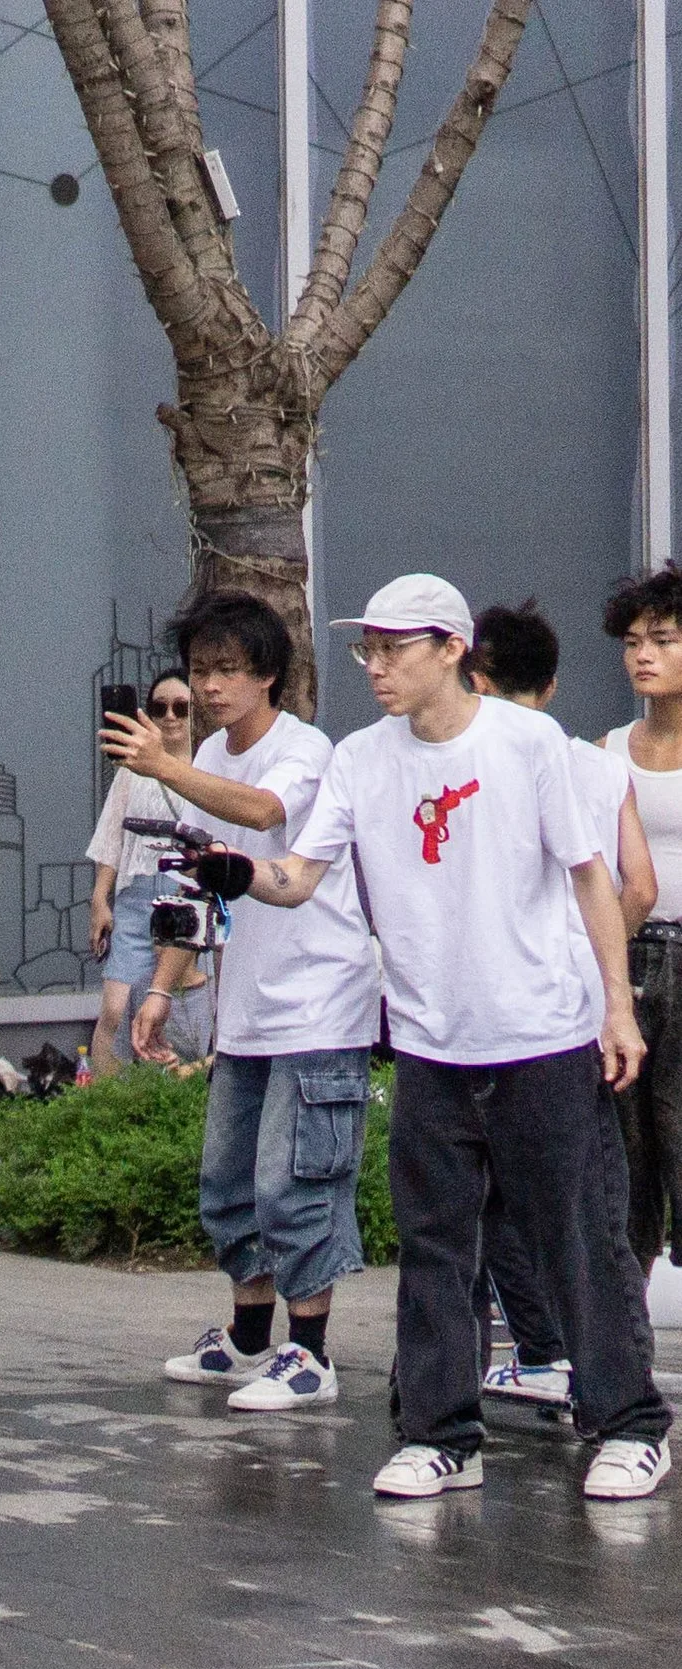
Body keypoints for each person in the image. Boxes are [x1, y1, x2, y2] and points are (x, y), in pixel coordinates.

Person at [194, 572, 671, 1500]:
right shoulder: (362, 760)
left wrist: (616, 1007)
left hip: (540, 1034)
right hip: (429, 1046)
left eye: (394, 648)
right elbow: (299, 875)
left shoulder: (529, 744)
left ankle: (631, 1424)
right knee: (437, 1247)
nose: (375, 667)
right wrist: (240, 872)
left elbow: (591, 878)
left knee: (578, 1240)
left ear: (451, 649)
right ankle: (443, 1435)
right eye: (366, 649)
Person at [111, 593, 381, 1412]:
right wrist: (162, 985)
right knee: (228, 1183)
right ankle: (250, 1336)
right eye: (199, 670)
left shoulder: (307, 750)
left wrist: (166, 767)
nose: (211, 686)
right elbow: (195, 886)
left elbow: (268, 815)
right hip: (247, 1008)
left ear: (268, 673)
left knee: (296, 1179)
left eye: (228, 669)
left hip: (320, 1002)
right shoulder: (206, 763)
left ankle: (312, 1354)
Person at [462, 600, 655, 1411]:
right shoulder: (595, 760)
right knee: (597, 1201)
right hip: (584, 1007)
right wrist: (598, 952)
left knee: (497, 1199)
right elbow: (636, 886)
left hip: (508, 1014)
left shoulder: (473, 760)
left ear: (472, 677)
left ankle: (553, 1357)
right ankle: (607, 1368)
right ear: (550, 681)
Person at [603, 563, 682, 1296]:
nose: (644, 655)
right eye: (632, 642)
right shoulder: (610, 748)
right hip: (630, 952)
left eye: (662, 639)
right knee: (627, 1150)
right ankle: (622, 1331)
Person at [84, 668, 201, 1076]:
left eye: (181, 707)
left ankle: (176, 1099)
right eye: (159, 707)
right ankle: (104, 1106)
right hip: (135, 897)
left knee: (181, 1007)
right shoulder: (130, 771)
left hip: (189, 897)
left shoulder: (209, 769)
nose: (170, 716)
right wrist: (100, 898)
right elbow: (110, 839)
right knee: (115, 1010)